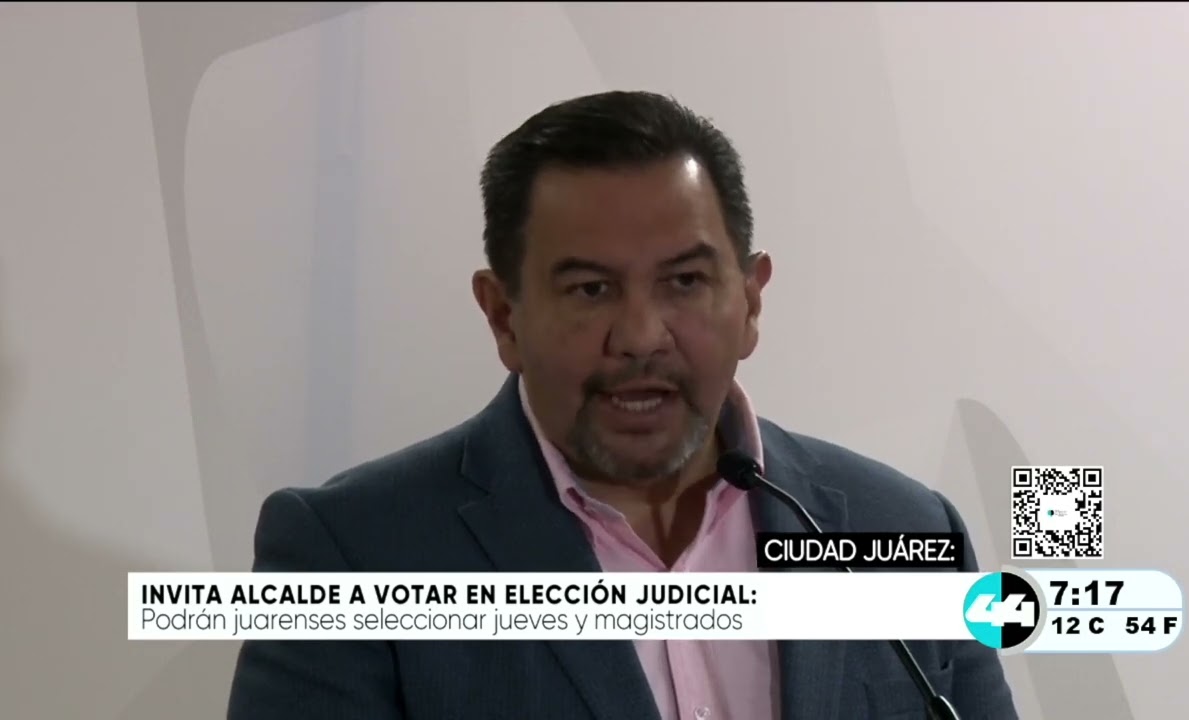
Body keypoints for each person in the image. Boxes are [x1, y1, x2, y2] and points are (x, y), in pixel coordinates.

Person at [227, 90, 1018, 720]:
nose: (640, 336)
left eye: (685, 281)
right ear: (504, 317)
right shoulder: (351, 554)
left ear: (750, 301)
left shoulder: (905, 530)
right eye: (590, 289)